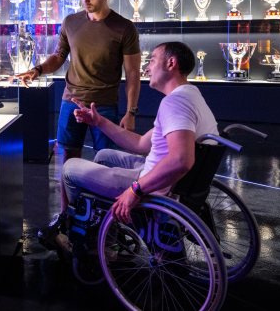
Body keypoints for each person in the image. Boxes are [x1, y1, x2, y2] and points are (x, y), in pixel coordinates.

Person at [16, 0, 141, 208]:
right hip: (71, 100)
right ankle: (67, 214)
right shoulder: (71, 22)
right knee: (67, 158)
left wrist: (131, 112)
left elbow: (133, 73)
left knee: (106, 162)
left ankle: (105, 218)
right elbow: (59, 56)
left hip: (104, 104)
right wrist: (37, 70)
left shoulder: (124, 28)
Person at [60, 41, 218, 228]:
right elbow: (141, 143)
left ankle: (82, 227)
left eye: (152, 60)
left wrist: (135, 190)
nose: (147, 68)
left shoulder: (175, 103)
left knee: (69, 168)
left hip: (155, 186)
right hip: (168, 179)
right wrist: (99, 121)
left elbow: (181, 160)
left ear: (171, 63)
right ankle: (104, 220)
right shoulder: (190, 95)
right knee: (103, 155)